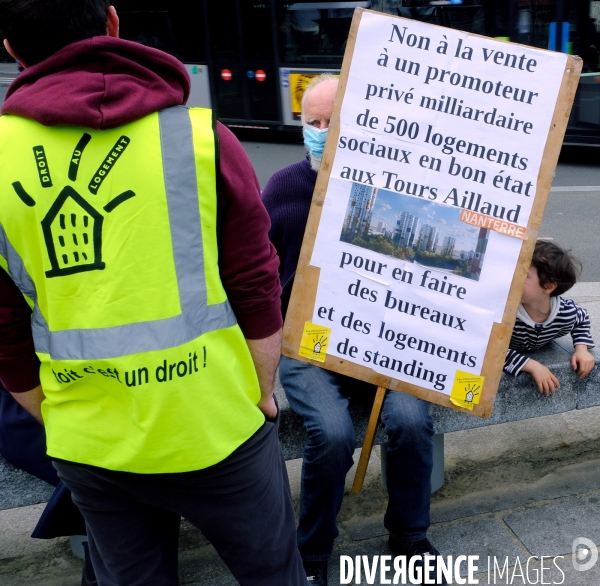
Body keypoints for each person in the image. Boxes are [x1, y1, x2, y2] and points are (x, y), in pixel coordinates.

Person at [0, 2, 306, 585]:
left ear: (11, 48)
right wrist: (262, 392)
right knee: (273, 574)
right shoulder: (200, 138)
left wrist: (61, 422)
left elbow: (6, 331)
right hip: (217, 429)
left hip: (92, 446)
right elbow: (257, 286)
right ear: (113, 23)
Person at [262, 74, 445, 586]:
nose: (320, 131)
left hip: (381, 342)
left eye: (332, 122)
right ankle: (313, 550)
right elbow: (255, 273)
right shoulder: (283, 188)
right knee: (334, 431)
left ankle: (410, 538)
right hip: (309, 347)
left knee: (411, 422)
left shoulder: (394, 191)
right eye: (311, 122)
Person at [504, 240, 595, 395]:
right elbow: (489, 349)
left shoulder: (566, 313)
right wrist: (532, 365)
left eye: (523, 274)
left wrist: (581, 348)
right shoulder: (504, 313)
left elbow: (582, 318)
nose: (512, 277)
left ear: (548, 286)